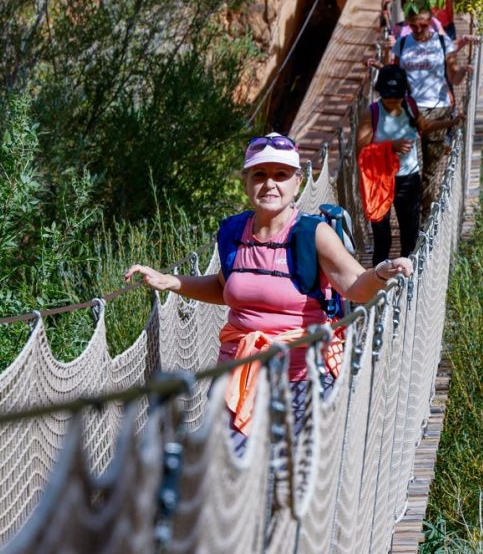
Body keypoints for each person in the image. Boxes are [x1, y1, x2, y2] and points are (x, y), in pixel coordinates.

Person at [125, 133, 413, 454]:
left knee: (293, 486)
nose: (270, 184)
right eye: (259, 175)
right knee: (231, 478)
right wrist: (171, 282)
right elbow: (227, 288)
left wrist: (381, 273)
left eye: (281, 175)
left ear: (297, 182)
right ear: (246, 182)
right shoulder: (233, 233)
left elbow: (355, 286)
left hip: (302, 379)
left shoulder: (312, 233)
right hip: (237, 379)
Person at [357, 65, 464, 265]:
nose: (391, 100)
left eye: (395, 95)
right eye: (387, 95)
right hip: (379, 181)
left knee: (410, 234)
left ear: (403, 92)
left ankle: (407, 282)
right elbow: (360, 150)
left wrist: (452, 122)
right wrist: (391, 147)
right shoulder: (371, 113)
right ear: (380, 92)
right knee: (382, 238)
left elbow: (424, 127)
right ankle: (377, 284)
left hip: (408, 180)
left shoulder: (410, 106)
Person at [389, 3, 468, 222]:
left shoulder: (442, 43)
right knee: (404, 167)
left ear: (431, 21)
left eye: (422, 25)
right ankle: (408, 214)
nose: (418, 30)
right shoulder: (403, 43)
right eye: (413, 26)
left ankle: (425, 218)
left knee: (431, 169)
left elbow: (453, 77)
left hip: (438, 108)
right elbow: (395, 76)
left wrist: (462, 72)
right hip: (409, 111)